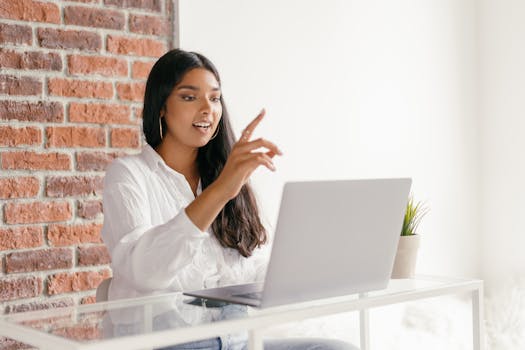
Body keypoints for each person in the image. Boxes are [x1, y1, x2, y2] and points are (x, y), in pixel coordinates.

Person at [101, 49, 358, 350]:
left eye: (214, 98)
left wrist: (306, 269)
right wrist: (221, 190)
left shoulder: (224, 177)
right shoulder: (129, 175)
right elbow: (144, 271)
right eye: (189, 97)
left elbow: (251, 266)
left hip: (236, 338)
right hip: (169, 341)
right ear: (161, 107)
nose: (207, 109)